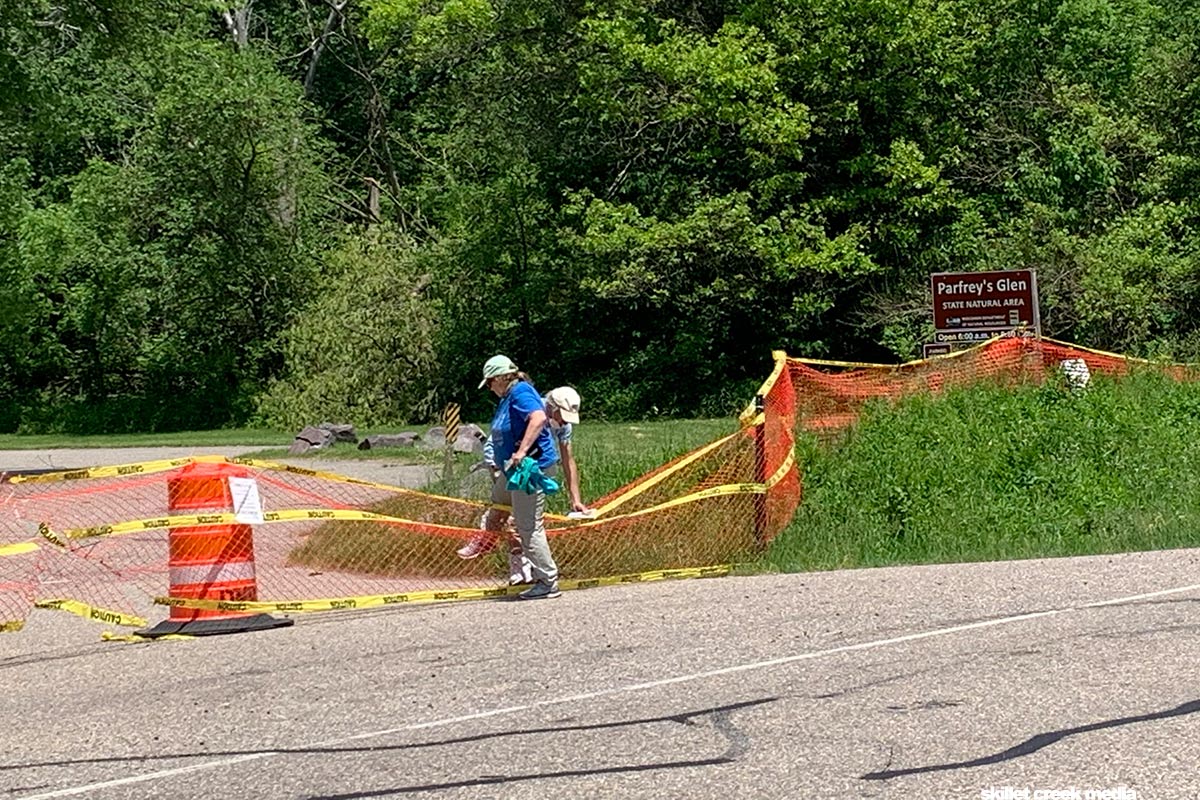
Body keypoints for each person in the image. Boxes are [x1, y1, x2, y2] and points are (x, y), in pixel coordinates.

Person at [470, 355, 562, 600]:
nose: (489, 389)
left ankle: (547, 580)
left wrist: (521, 452)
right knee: (498, 504)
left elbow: (539, 418)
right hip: (512, 471)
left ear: (500, 378)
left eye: (490, 383)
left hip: (529, 469)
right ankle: (485, 541)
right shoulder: (507, 397)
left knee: (528, 525)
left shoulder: (521, 391)